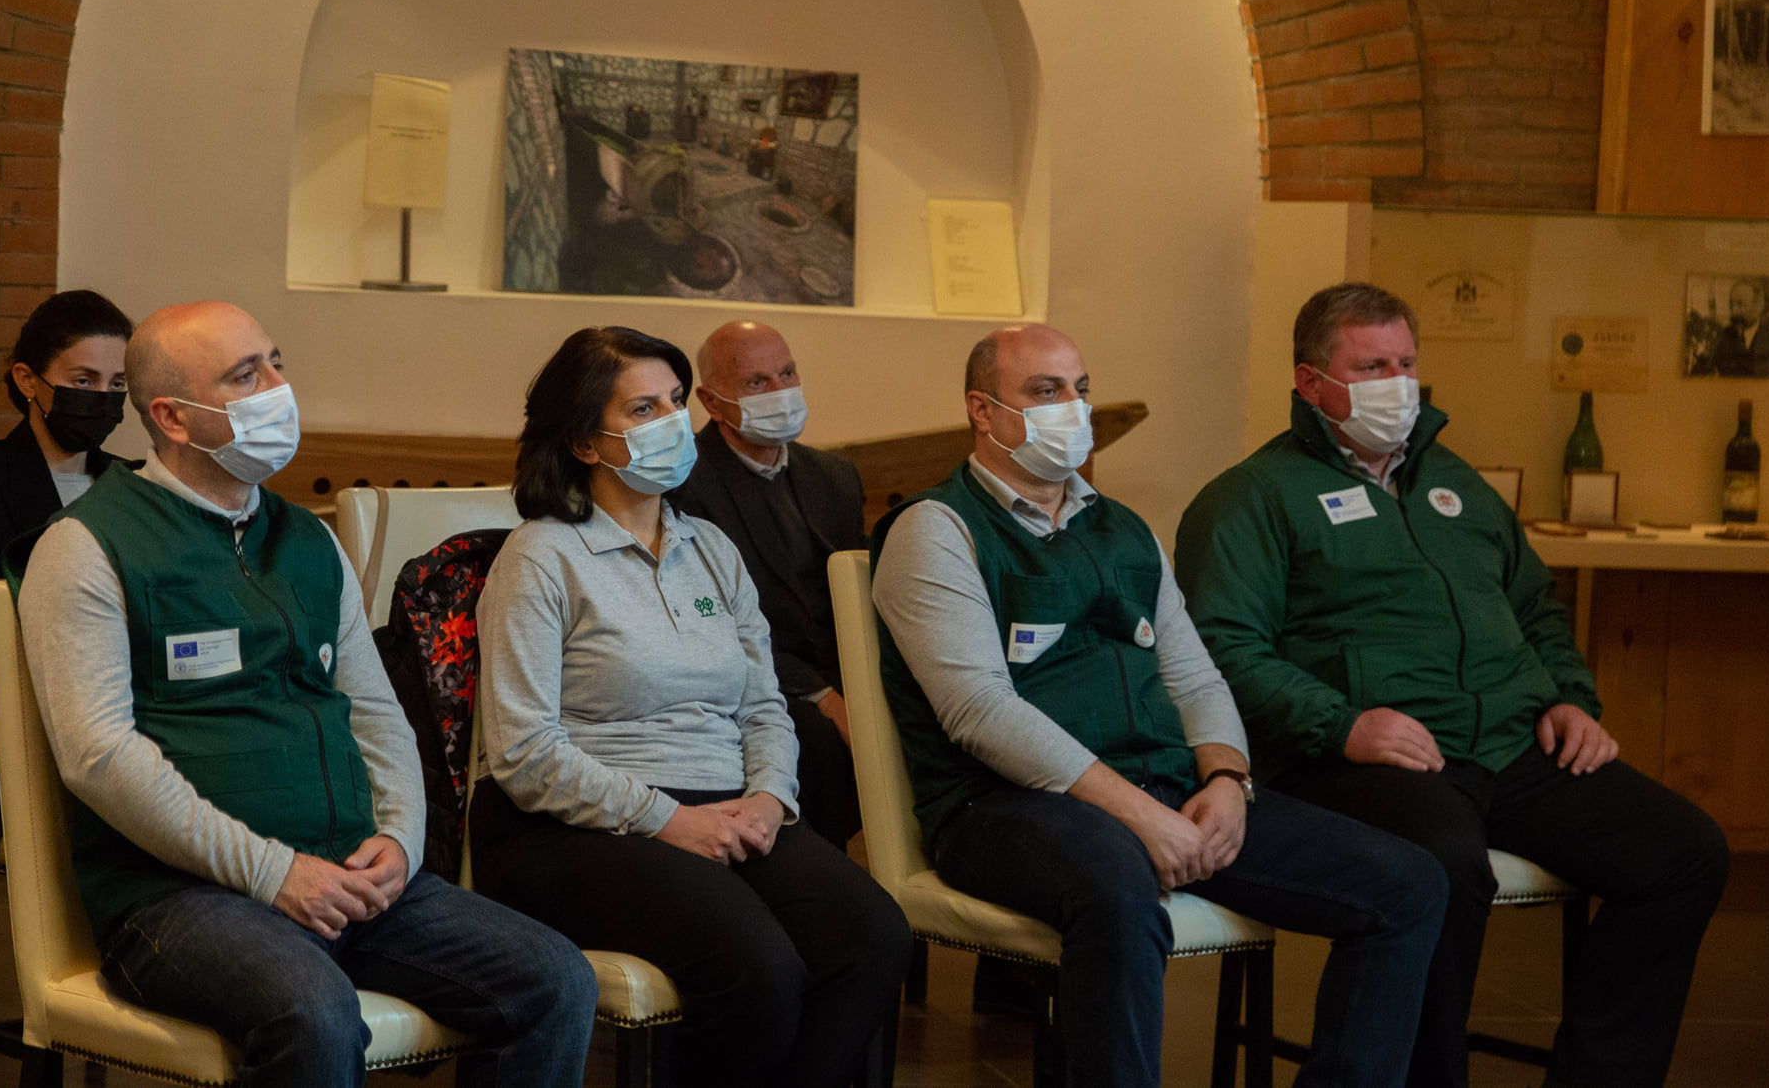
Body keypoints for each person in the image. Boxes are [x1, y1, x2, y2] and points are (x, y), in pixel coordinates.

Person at [8, 301, 595, 1087]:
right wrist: (272, 872)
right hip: (181, 895)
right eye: (244, 376)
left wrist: (400, 841)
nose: (278, 389)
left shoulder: (309, 540)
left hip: (347, 869)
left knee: (555, 979)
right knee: (314, 1010)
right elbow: (100, 757)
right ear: (172, 417)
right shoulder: (86, 544)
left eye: (275, 363)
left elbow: (377, 713)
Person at [1174, 282, 1730, 1088]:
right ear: (1310, 382)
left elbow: (1534, 606)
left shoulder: (1458, 484)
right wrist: (1343, 724)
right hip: (1359, 755)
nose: (1397, 384)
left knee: (1684, 851)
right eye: (1371, 366)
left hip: (1511, 739)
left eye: (1405, 363)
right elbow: (1221, 649)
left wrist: (1571, 698)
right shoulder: (1252, 496)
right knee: (1439, 865)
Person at [871, 322, 1445, 1088]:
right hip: (1001, 805)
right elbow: (980, 711)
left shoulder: (1126, 529)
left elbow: (1197, 679)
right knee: (1118, 883)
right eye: (1044, 391)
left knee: (1408, 883)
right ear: (982, 410)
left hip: (1166, 786)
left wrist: (1227, 782)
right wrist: (1140, 815)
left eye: (1079, 389)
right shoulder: (935, 528)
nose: (1071, 407)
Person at [472, 326, 909, 1088]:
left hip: (726, 803)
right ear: (584, 440)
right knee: (758, 968)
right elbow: (524, 753)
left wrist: (769, 798)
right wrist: (670, 819)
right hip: (571, 823)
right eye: (643, 408)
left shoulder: (710, 546)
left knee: (872, 935)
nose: (673, 422)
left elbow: (763, 704)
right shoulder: (541, 555)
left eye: (676, 401)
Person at [0, 289, 133, 825]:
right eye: (83, 381)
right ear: (27, 380)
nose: (102, 398)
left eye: (117, 384)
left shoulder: (135, 486)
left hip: (133, 709)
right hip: (20, 717)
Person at [678, 319, 864, 844]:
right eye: (757, 382)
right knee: (816, 742)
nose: (780, 392)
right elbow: (714, 621)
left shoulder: (834, 475)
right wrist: (826, 697)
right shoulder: (685, 483)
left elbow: (859, 597)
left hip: (845, 668)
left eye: (787, 374)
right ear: (711, 402)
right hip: (751, 678)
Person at [1711, 278, 1769, 378]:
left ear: (1758, 306)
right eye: (1731, 305)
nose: (1734, 311)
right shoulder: (1723, 336)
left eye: (1740, 304)